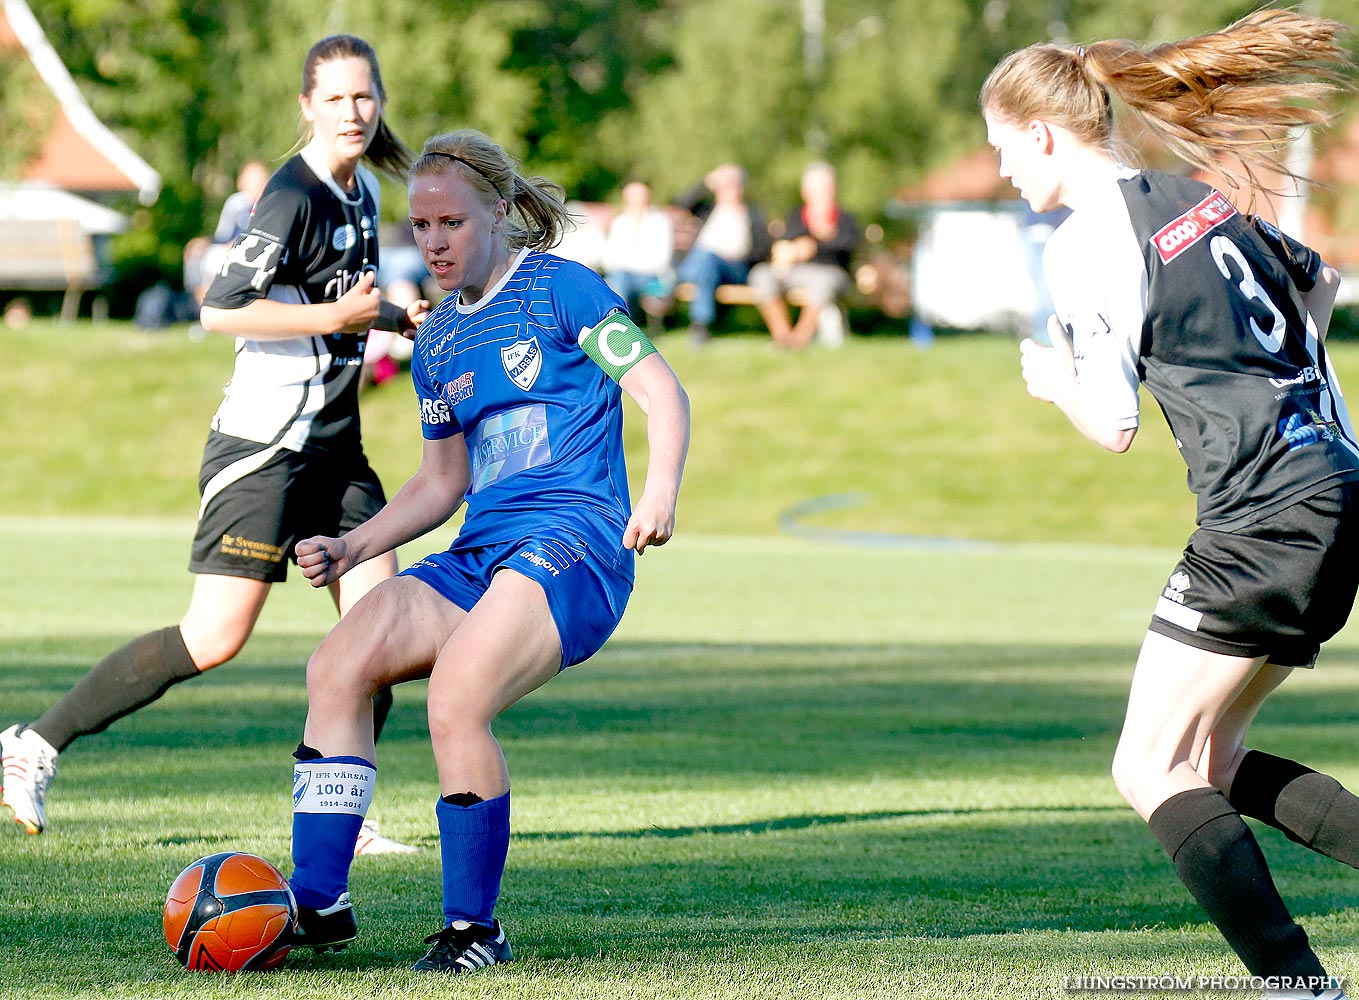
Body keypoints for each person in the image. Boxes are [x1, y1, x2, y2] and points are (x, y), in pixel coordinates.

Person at [984, 11, 1359, 998]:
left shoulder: (1086, 241)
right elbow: (1318, 287)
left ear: (1042, 132)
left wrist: (1056, 380)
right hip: (1333, 484)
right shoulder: (1199, 198)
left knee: (1150, 767)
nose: (1003, 172)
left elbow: (1112, 424)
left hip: (1264, 513)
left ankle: (1297, 984)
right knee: (1213, 756)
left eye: (1002, 149)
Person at [1, 34, 425, 858]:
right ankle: (32, 744)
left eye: (364, 97)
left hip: (338, 452)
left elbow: (338, 301)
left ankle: (339, 812)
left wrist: (387, 316)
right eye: (335, 98)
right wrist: (331, 320)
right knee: (213, 637)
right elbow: (220, 307)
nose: (353, 112)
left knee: (380, 636)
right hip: (265, 447)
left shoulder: (365, 190)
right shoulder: (291, 193)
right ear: (306, 106)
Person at [284, 128, 690, 972]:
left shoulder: (562, 291)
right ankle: (318, 901)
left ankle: (474, 928)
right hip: (484, 550)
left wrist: (657, 493)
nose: (432, 241)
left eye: (451, 223)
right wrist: (352, 545)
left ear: (499, 214)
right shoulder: (435, 344)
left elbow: (662, 391)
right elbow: (441, 484)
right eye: (419, 226)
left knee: (457, 693)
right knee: (337, 662)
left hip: (576, 542)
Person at [747, 162, 859, 350]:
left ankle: (800, 339)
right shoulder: (796, 216)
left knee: (823, 283)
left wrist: (816, 245)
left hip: (831, 273)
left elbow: (848, 247)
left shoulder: (845, 219)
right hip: (794, 272)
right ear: (806, 192)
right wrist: (795, 249)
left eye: (827, 188)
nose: (824, 194)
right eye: (818, 189)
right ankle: (782, 336)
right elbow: (783, 242)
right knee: (761, 275)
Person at [674, 163, 770, 342]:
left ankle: (674, 281)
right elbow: (682, 203)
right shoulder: (708, 210)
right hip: (707, 269)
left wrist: (735, 255)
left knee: (706, 257)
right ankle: (701, 325)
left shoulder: (751, 214)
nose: (730, 191)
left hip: (736, 268)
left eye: (734, 185)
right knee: (706, 267)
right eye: (725, 186)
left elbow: (762, 249)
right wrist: (705, 182)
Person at [601, 179, 674, 334]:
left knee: (621, 280)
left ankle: (622, 328)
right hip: (624, 275)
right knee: (620, 279)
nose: (638, 199)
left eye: (641, 195)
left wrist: (629, 262)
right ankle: (623, 328)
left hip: (652, 276)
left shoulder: (659, 222)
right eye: (633, 195)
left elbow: (661, 259)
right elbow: (609, 258)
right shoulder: (620, 223)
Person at [213, 160, 270, 246]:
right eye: (252, 179)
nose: (257, 183)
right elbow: (222, 236)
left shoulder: (269, 205)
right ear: (240, 182)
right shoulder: (235, 203)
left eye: (260, 178)